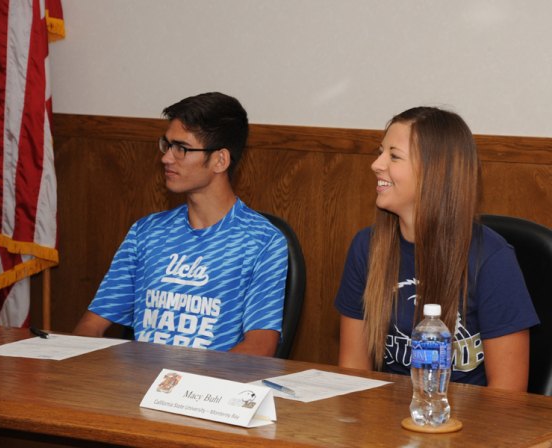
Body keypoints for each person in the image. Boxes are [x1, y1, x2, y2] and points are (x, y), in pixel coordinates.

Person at [335, 106, 539, 391]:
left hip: (469, 426)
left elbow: (508, 396)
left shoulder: (493, 259)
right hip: (384, 423)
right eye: (380, 151)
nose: (376, 164)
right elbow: (353, 371)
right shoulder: (366, 247)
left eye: (393, 156)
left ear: (434, 172)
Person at [74, 92, 288, 356]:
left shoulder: (263, 241)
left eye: (182, 149)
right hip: (135, 387)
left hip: (209, 391)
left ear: (220, 160)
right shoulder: (146, 232)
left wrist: (186, 387)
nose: (166, 158)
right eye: (167, 145)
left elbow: (259, 346)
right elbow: (91, 326)